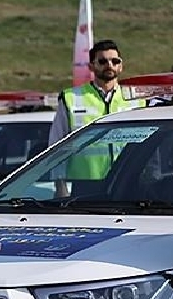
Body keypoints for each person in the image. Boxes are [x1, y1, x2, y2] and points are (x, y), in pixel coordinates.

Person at [48, 40, 138, 197]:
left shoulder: (136, 98)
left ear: (121, 66)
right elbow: (56, 146)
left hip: (129, 181)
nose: (109, 65)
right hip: (86, 183)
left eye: (115, 61)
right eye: (102, 61)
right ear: (91, 66)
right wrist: (60, 185)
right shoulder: (71, 98)